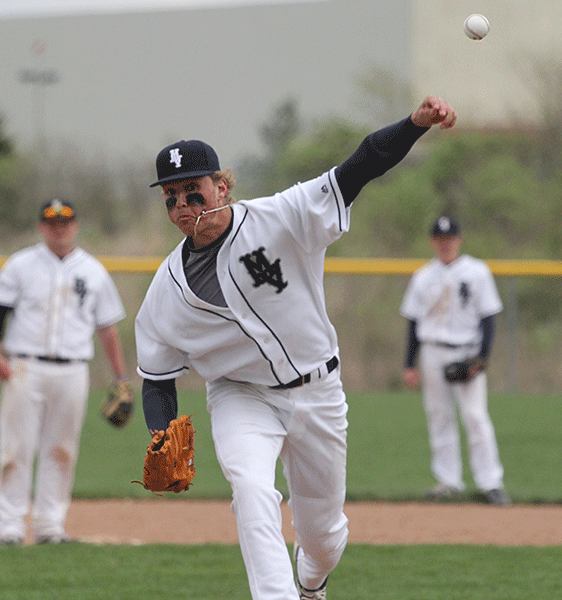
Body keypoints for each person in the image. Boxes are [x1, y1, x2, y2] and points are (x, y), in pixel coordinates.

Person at [135, 96, 457, 600]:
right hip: (243, 397)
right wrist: (161, 433)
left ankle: (311, 584)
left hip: (319, 389)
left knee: (325, 540)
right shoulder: (167, 290)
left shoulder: (281, 217)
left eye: (193, 191)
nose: (183, 207)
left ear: (222, 185)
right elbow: (157, 374)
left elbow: (360, 165)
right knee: (252, 490)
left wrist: (414, 125)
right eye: (171, 197)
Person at [0, 198, 131, 545]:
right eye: (52, 222)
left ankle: (50, 525)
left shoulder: (93, 271)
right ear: (41, 227)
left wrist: (121, 376)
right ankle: (11, 525)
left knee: (62, 448)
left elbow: (107, 327)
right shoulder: (21, 264)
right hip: (25, 365)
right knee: (16, 446)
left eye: (65, 221)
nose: (59, 227)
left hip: (73, 369)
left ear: (76, 225)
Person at [399, 215, 510, 506]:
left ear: (458, 240)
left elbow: (488, 317)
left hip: (467, 350)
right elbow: (413, 323)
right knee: (439, 416)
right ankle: (449, 481)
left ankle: (491, 482)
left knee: (475, 417)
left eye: (450, 239)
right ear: (432, 242)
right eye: (440, 239)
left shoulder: (477, 271)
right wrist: (409, 363)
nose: (445, 244)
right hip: (433, 351)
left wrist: (482, 358)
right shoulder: (422, 276)